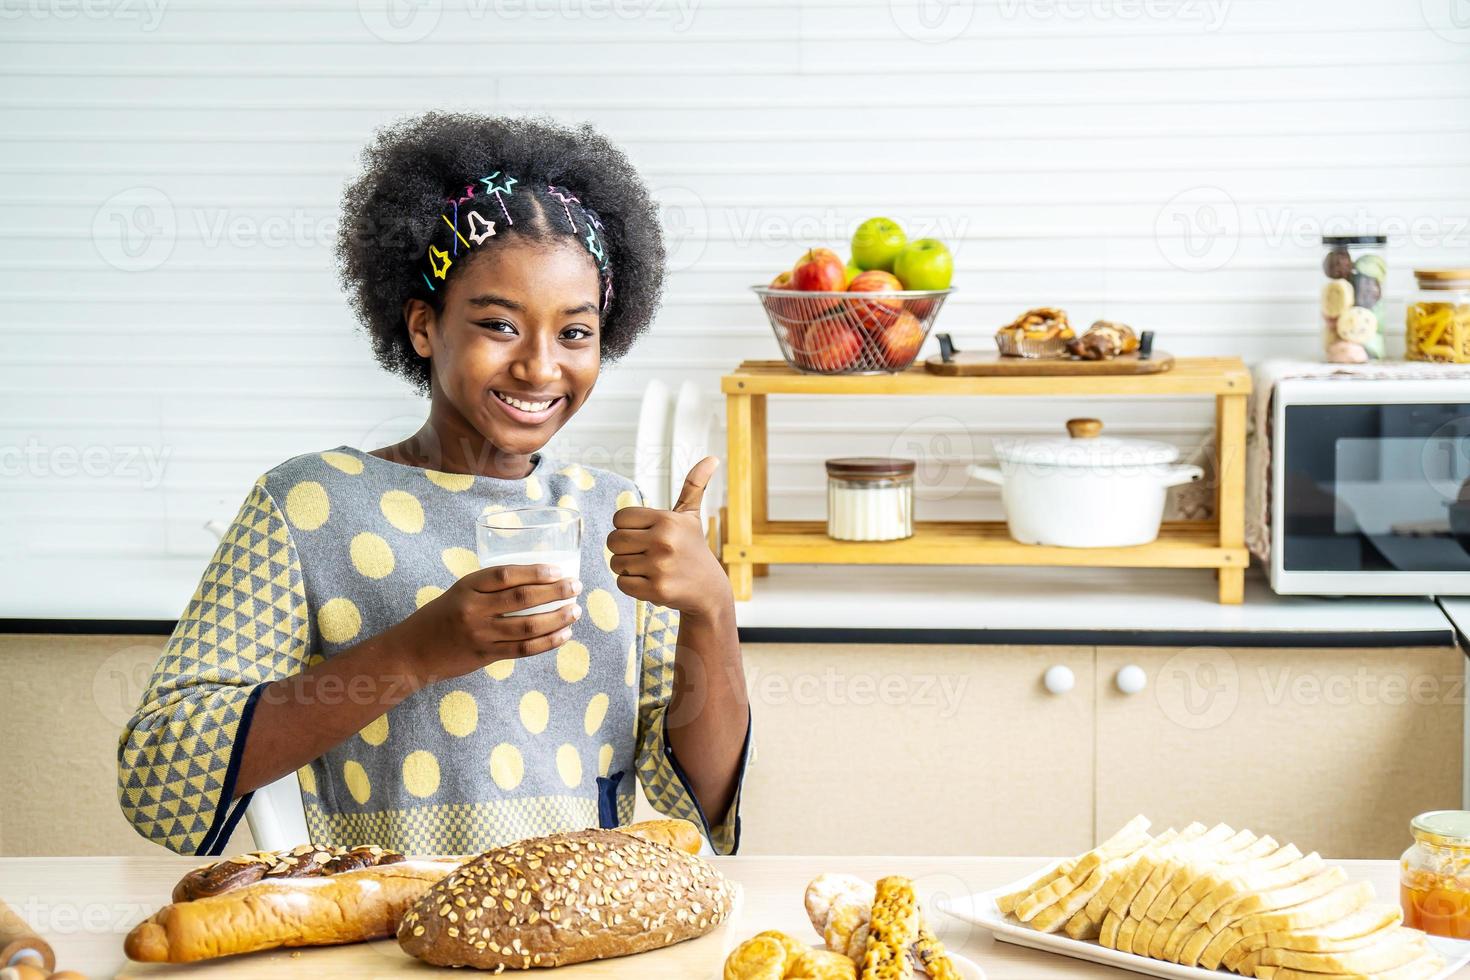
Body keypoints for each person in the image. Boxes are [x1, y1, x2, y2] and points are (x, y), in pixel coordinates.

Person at [116, 113, 750, 857]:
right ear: (423, 326)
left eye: (575, 332)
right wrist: (419, 650)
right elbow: (158, 778)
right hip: (375, 938)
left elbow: (700, 806)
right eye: (499, 326)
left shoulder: (614, 514)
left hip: (576, 943)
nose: (541, 367)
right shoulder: (308, 507)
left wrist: (711, 607)